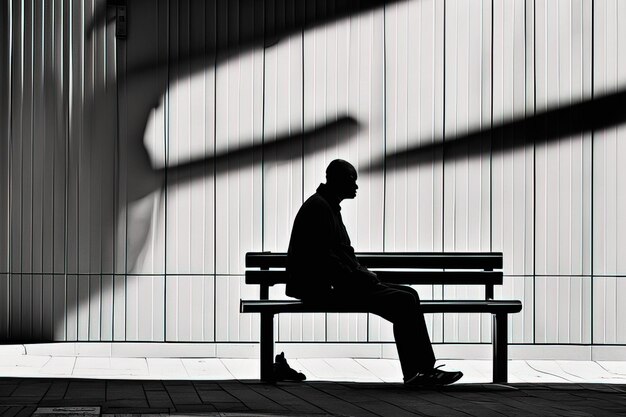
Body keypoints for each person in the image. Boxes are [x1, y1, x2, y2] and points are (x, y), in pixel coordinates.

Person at [286, 159, 463, 387]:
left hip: (334, 283)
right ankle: (417, 372)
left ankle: (423, 370)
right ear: (338, 180)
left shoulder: (326, 205)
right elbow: (326, 258)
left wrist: (362, 274)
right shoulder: (320, 208)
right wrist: (358, 277)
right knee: (404, 300)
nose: (356, 186)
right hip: (322, 287)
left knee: (409, 294)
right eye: (352, 180)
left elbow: (341, 254)